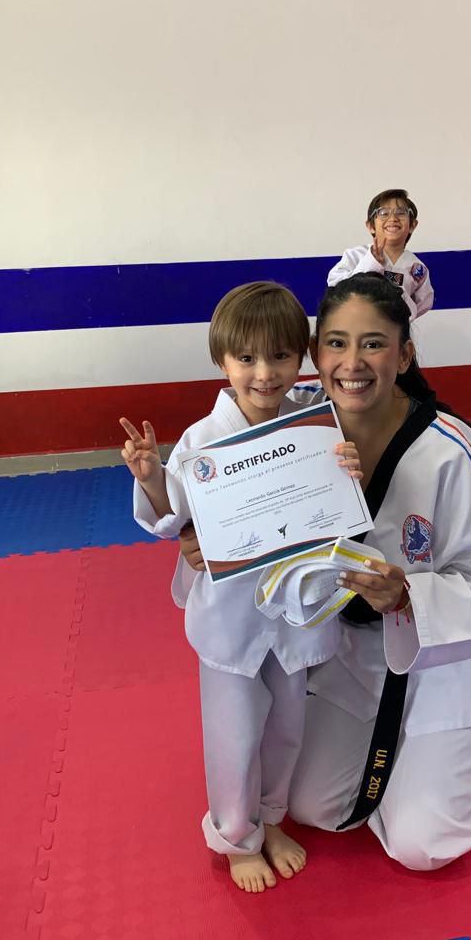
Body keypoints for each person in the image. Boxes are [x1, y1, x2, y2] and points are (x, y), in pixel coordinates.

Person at [286, 273, 471, 871]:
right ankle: (412, 746)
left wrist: (409, 595)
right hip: (356, 652)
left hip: (458, 653)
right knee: (314, 806)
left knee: (420, 845)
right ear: (316, 354)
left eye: (374, 344)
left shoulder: (450, 449)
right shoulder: (296, 435)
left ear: (404, 355)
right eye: (337, 343)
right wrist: (198, 539)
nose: (353, 362)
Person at [120, 281, 361, 893]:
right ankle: (235, 837)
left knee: (286, 727)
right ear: (222, 362)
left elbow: (332, 508)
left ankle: (273, 819)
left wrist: (345, 473)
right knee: (234, 734)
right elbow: (172, 517)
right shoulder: (202, 440)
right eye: (247, 358)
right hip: (230, 618)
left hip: (295, 611)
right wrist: (152, 478)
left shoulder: (312, 427)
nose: (265, 373)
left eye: (280, 356)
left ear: (300, 358)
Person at [327, 188, 434, 319]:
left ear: (412, 225)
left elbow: (424, 302)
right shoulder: (356, 255)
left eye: (401, 212)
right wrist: (370, 264)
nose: (393, 218)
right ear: (371, 226)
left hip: (396, 332)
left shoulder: (416, 267)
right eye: (384, 213)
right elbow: (335, 284)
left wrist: (404, 313)